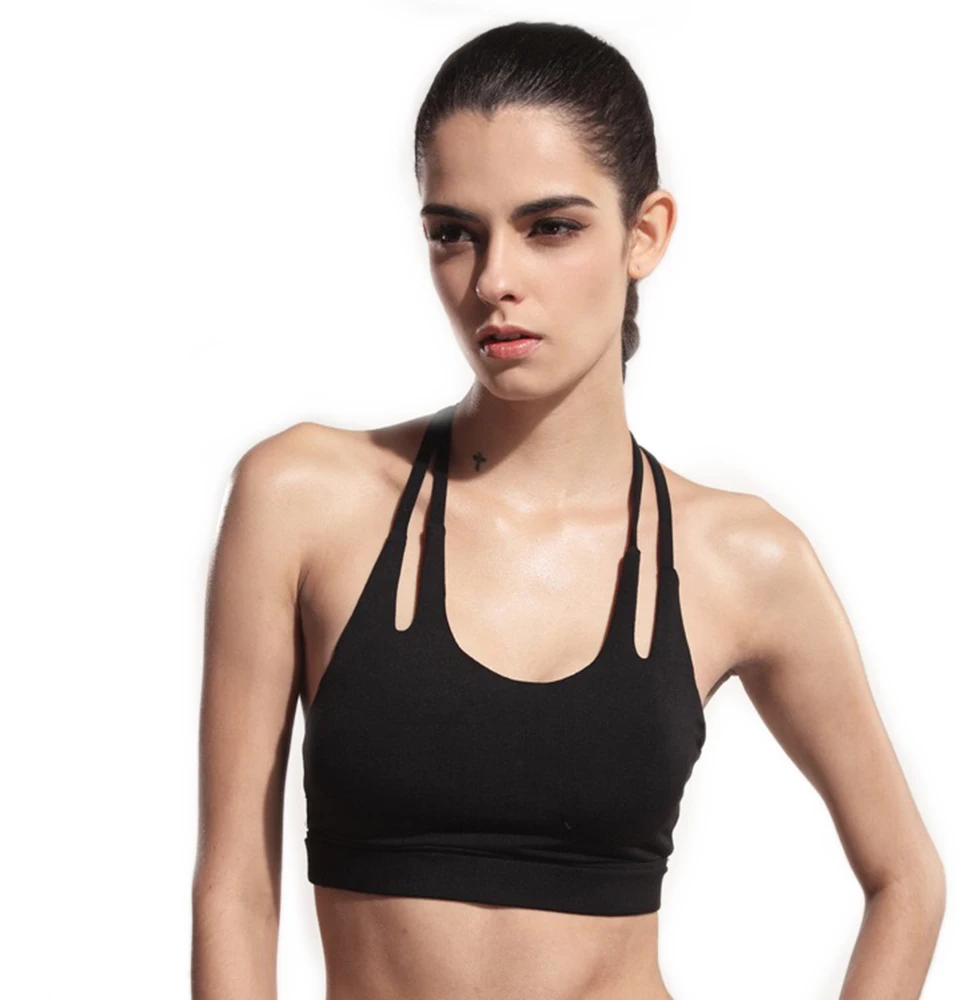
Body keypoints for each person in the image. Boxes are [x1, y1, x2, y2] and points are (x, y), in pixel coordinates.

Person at [192, 21, 946, 1000]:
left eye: (550, 227)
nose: (493, 279)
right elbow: (235, 891)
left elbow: (906, 880)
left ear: (645, 233)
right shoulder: (302, 499)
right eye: (453, 232)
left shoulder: (737, 558)